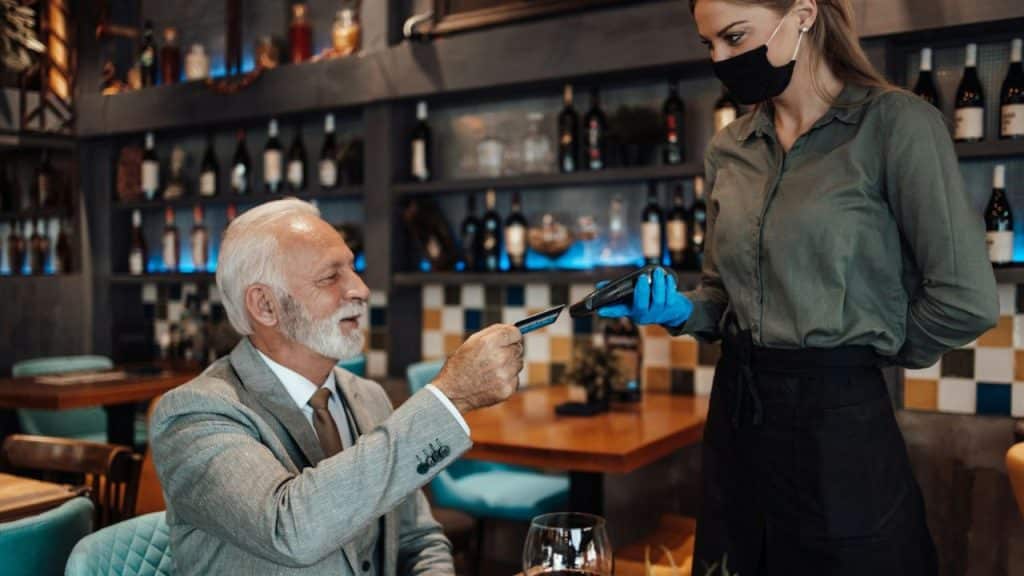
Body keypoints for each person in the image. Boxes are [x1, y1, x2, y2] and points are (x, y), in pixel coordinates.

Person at [598, 0, 998, 574]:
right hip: (738, 412)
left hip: (839, 425)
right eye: (708, 45)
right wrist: (679, 309)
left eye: (735, 37)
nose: (721, 59)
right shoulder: (728, 149)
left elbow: (965, 299)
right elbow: (720, 295)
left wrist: (863, 353)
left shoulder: (896, 124)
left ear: (803, 14)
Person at [151, 198, 524, 575]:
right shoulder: (194, 415)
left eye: (354, 268)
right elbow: (291, 529)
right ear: (265, 305)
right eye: (331, 277)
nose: (361, 289)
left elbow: (419, 540)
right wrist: (450, 396)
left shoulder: (368, 396)